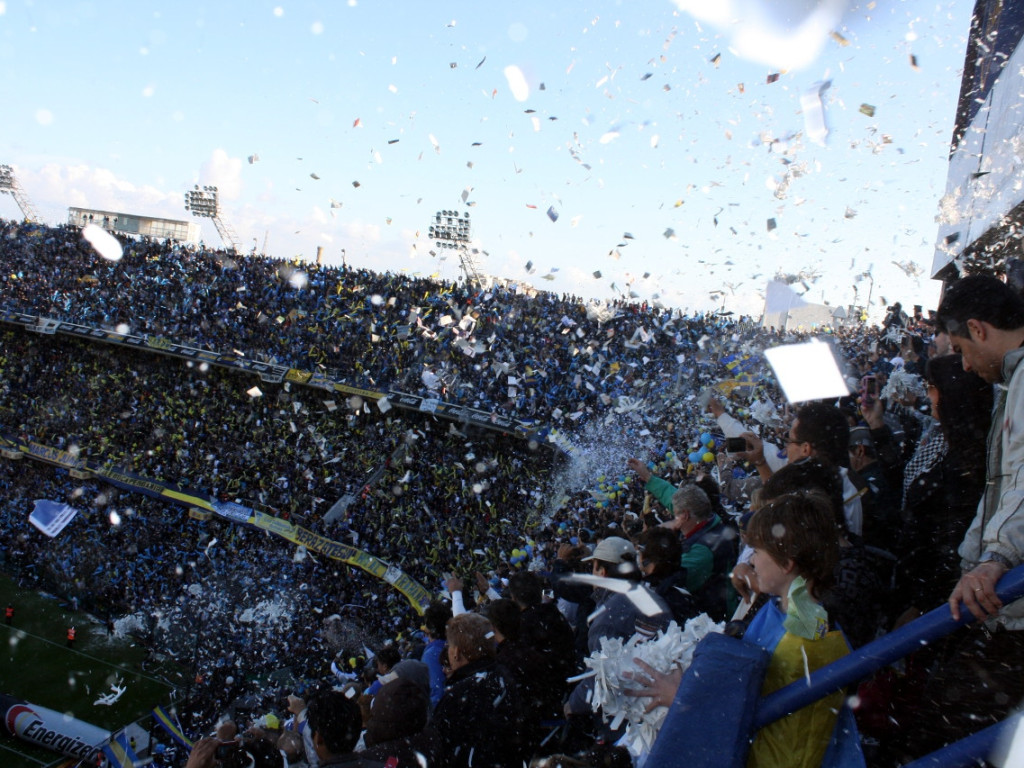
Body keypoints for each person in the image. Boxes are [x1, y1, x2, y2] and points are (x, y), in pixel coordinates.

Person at [627, 491, 852, 768]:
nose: (751, 560)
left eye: (756, 552)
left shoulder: (800, 648)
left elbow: (750, 728)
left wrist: (682, 699)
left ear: (786, 563)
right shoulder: (797, 606)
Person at [626, 460, 738, 621]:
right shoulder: (706, 520)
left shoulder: (703, 549)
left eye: (675, 513)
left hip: (718, 617)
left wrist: (648, 552)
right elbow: (675, 500)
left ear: (684, 516)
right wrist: (648, 477)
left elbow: (666, 577)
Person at [417, 612, 526, 768]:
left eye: (449, 645)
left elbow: (437, 750)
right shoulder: (506, 675)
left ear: (456, 652)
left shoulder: (460, 695)